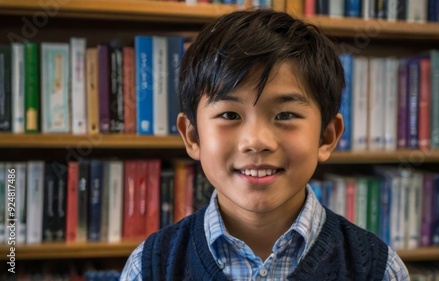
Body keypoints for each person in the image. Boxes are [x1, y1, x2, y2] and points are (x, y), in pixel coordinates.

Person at [120, 8, 409, 281]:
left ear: (327, 137)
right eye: (229, 115)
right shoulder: (150, 268)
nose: (256, 141)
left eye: (285, 115)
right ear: (193, 136)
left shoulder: (377, 269)